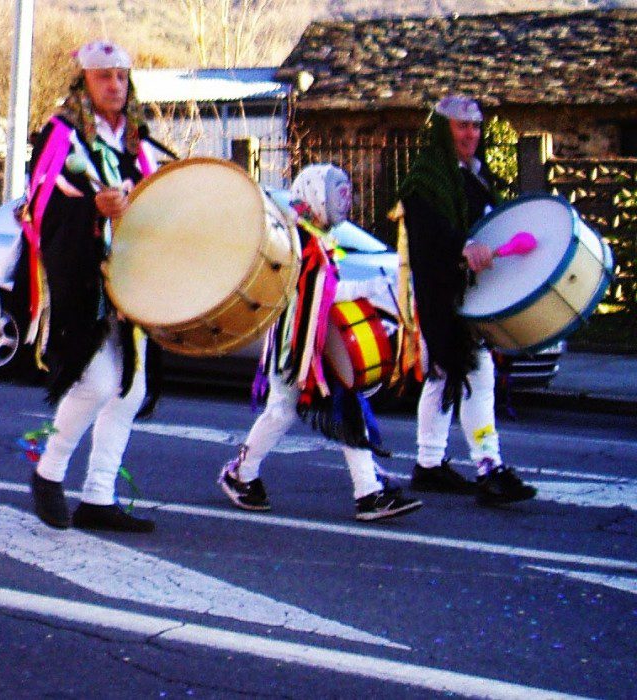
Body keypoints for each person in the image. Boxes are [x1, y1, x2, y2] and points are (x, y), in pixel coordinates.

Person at [217, 164, 423, 522]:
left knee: (333, 407)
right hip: (296, 343)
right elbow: (316, 292)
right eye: (336, 195)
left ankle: (367, 489)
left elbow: (319, 293)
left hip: (312, 340)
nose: (343, 204)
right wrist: (366, 289)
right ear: (315, 196)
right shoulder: (301, 240)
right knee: (290, 409)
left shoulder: (312, 235)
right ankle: (244, 474)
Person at [22, 40, 162, 533]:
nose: (115, 85)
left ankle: (99, 497)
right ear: (84, 81)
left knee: (131, 387)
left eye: (121, 76)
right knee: (99, 382)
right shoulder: (61, 137)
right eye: (104, 77)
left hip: (129, 278)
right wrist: (92, 211)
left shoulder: (137, 141)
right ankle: (48, 471)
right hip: (82, 277)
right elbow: (39, 209)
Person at [395, 94, 537, 506]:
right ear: (444, 130)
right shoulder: (425, 180)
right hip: (443, 293)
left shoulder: (476, 174)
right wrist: (464, 246)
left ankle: (428, 465)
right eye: (462, 126)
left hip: (471, 292)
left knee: (444, 377)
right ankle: (489, 466)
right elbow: (429, 235)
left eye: (476, 126)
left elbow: (489, 224)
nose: (471, 134)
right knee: (474, 377)